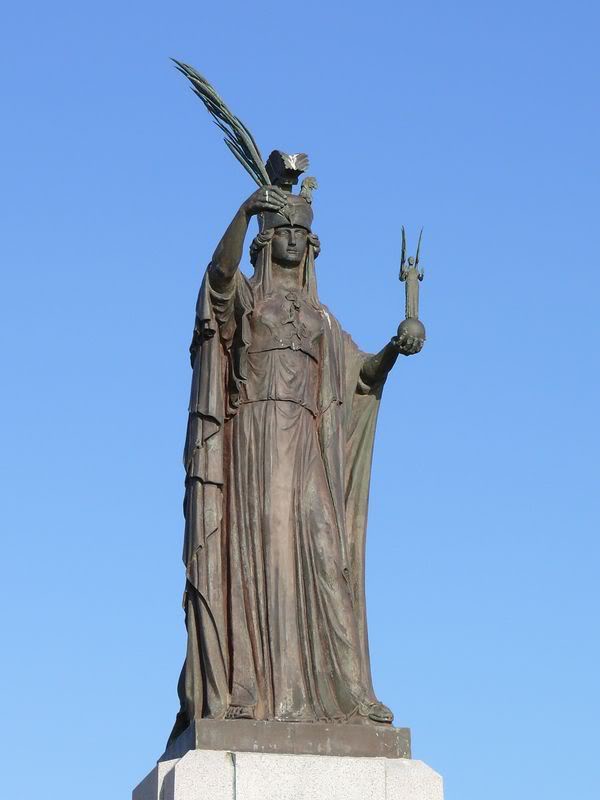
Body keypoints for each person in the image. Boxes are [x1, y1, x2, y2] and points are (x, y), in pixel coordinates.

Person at [168, 173, 423, 745]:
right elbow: (217, 281)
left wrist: (396, 345)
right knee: (258, 557)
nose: (291, 238)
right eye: (282, 228)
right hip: (254, 444)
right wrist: (243, 211)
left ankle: (346, 693)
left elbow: (361, 378)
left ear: (311, 245)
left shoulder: (321, 318)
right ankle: (249, 690)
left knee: (326, 558)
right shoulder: (248, 298)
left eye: (300, 232)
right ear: (265, 239)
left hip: (307, 445)